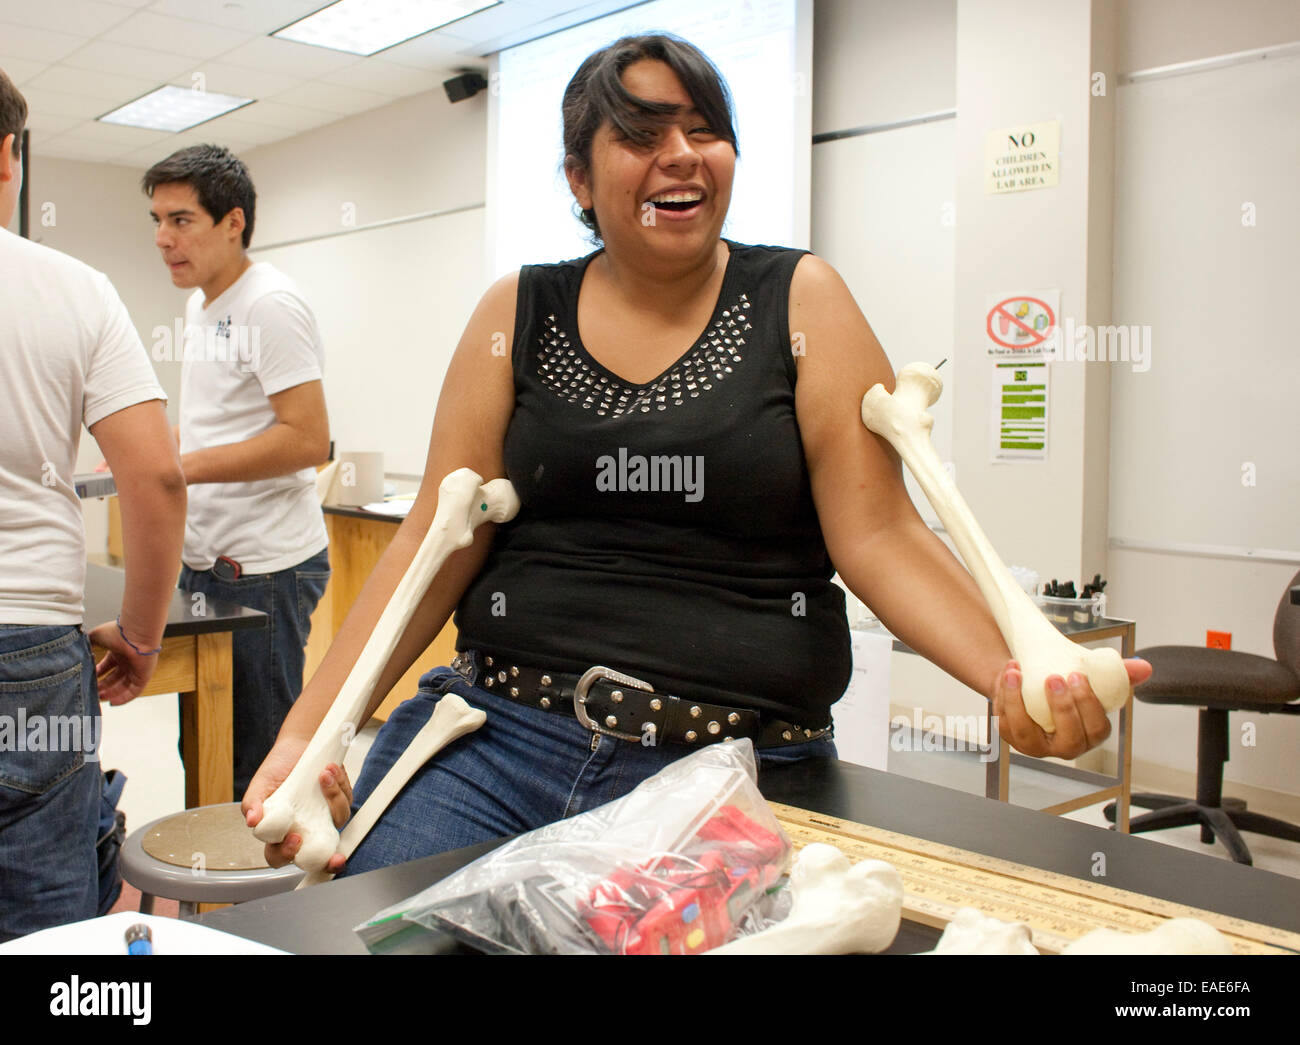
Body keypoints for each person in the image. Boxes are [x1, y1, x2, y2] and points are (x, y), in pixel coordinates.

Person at [245, 34, 1150, 875]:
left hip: (736, 767)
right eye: (641, 134)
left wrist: (1012, 672)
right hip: (499, 736)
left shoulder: (801, 300)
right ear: (579, 179)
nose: (680, 153)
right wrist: (310, 734)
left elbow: (880, 535)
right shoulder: (515, 312)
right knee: (378, 936)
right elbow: (430, 545)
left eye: (704, 130)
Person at [0, 68, 187, 940]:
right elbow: (156, 478)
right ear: (9, 158)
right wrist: (142, 637)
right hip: (29, 655)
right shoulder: (74, 289)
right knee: (46, 922)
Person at [142, 145, 332, 799]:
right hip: (207, 560)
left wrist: (182, 466)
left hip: (267, 569)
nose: (164, 239)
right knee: (204, 745)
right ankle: (211, 890)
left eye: (182, 220)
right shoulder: (202, 304)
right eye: (158, 220)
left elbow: (308, 438)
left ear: (234, 222)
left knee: (256, 760)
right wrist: (153, 446)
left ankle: (264, 899)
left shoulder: (269, 304)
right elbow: (219, 422)